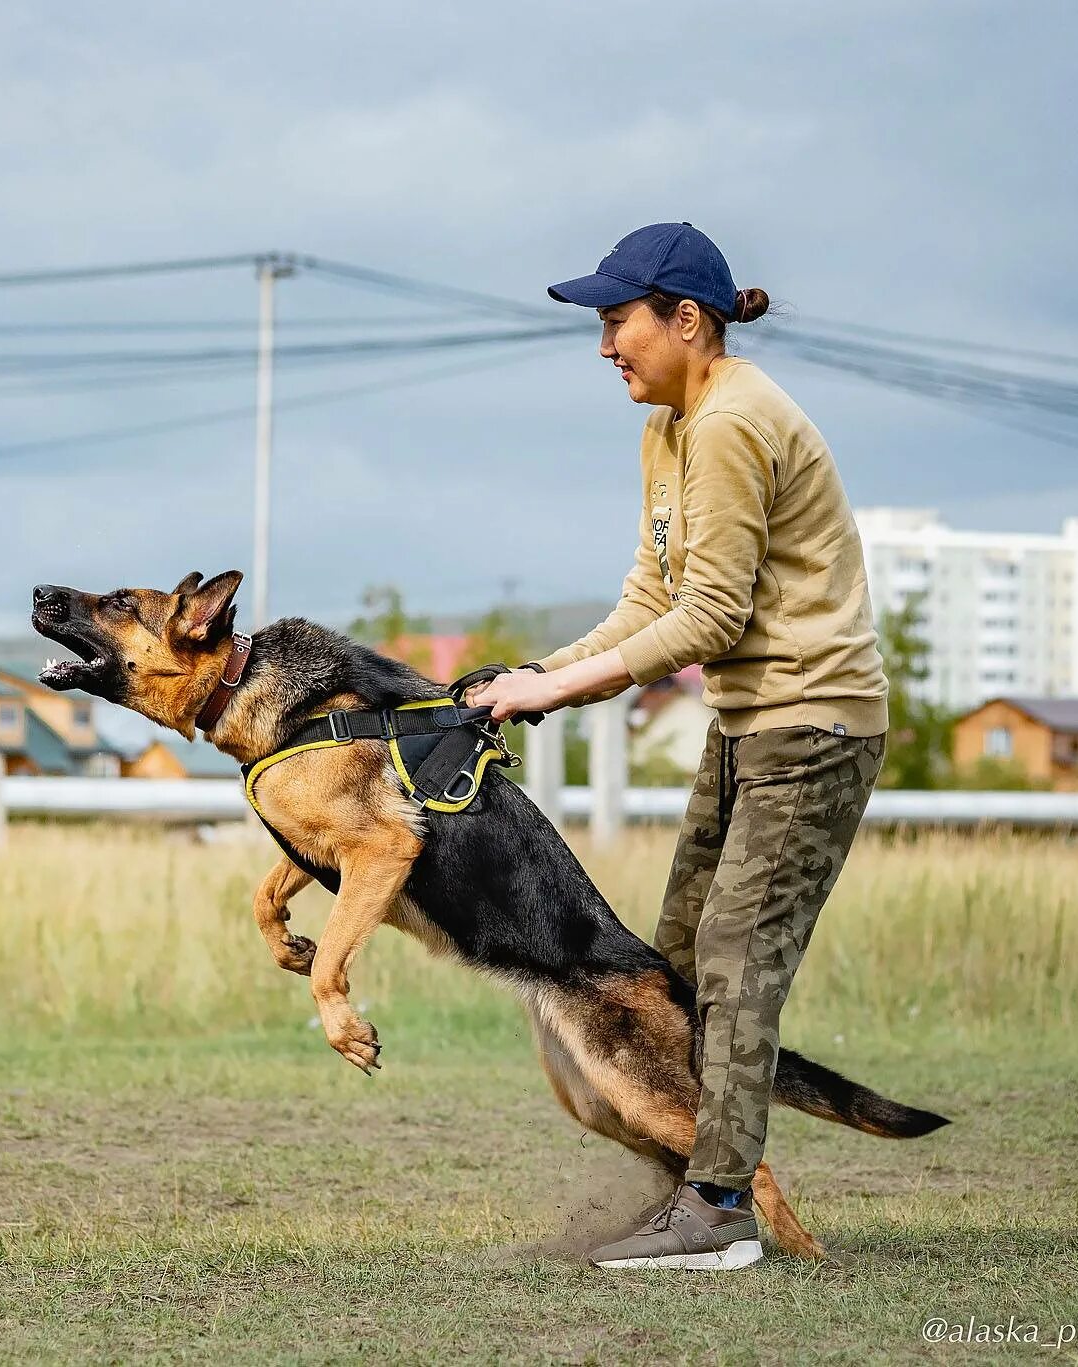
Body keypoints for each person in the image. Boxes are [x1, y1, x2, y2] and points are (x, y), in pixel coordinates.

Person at [470, 223, 887, 1270]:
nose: (603, 344)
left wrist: (556, 686)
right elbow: (649, 595)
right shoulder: (670, 425)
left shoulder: (734, 420)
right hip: (746, 721)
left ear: (684, 319)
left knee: (739, 964)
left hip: (812, 724)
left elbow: (705, 618)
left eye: (617, 320)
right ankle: (695, 1188)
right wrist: (534, 681)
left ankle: (713, 1212)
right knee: (675, 965)